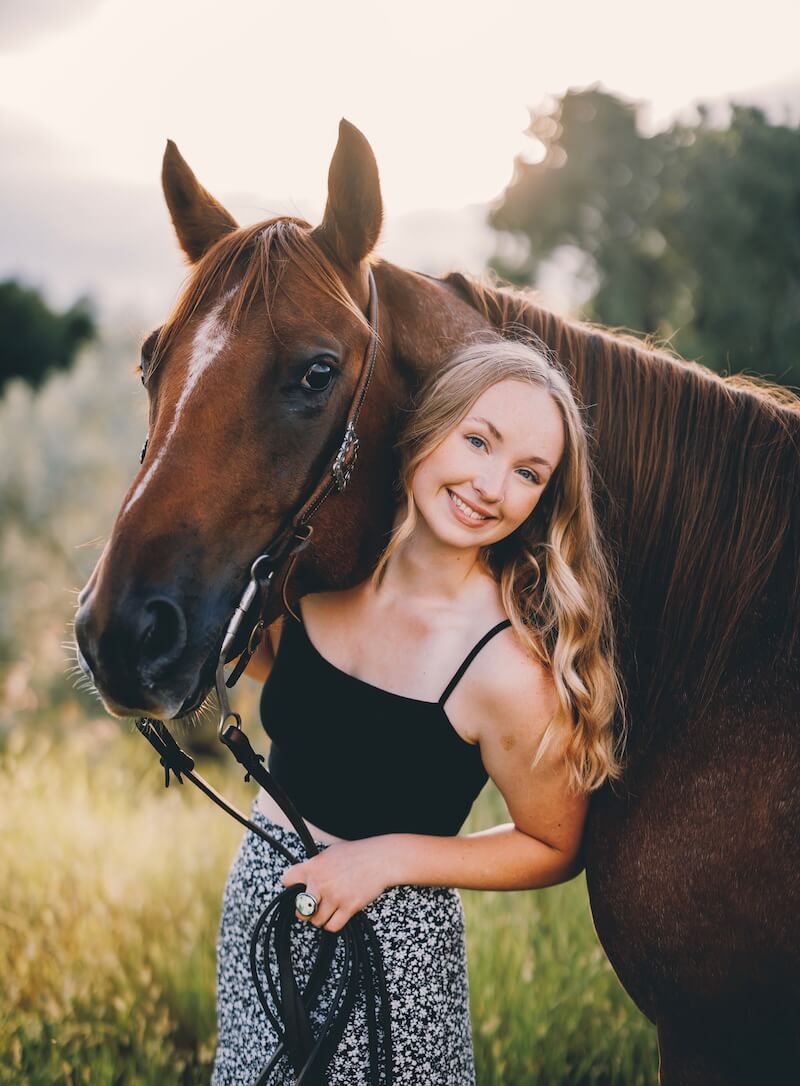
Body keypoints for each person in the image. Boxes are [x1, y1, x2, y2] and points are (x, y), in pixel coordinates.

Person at [211, 339, 624, 1086]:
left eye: (528, 473)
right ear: (424, 429)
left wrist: (391, 858)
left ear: (543, 499)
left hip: (393, 953)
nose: (492, 485)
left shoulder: (505, 670)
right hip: (260, 901)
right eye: (477, 441)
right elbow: (290, 686)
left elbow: (553, 843)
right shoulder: (313, 579)